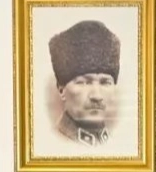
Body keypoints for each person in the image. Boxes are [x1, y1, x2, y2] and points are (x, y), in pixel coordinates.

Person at [48, 19, 120, 147]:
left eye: (105, 82)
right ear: (61, 89)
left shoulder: (119, 144)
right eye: (84, 83)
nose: (97, 96)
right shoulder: (48, 143)